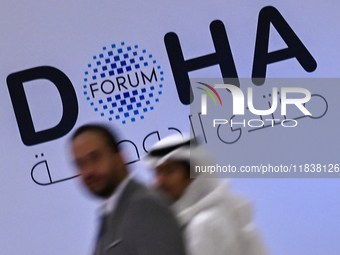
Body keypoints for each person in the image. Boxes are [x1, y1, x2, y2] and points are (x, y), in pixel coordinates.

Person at [70, 124, 186, 255]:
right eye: (80, 164)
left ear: (120, 157)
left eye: (95, 158)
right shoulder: (110, 213)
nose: (89, 171)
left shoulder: (145, 207)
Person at [145, 134, 268, 255]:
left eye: (169, 170)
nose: (158, 182)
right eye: (157, 172)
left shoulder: (203, 224)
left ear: (194, 174)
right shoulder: (226, 209)